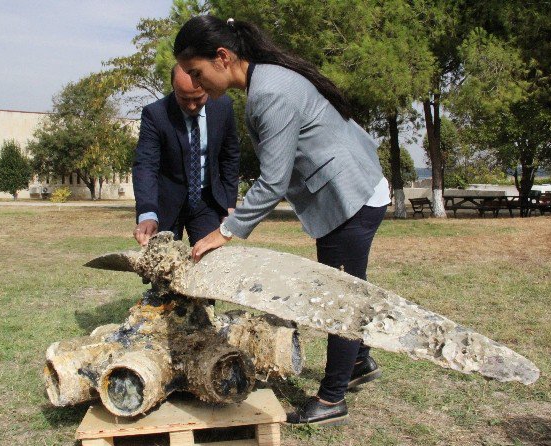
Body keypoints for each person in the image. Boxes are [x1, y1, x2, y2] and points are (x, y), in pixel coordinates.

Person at [174, 16, 391, 426]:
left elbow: (273, 181)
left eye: (196, 72)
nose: (195, 83)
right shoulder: (267, 79)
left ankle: (331, 400)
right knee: (341, 284)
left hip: (350, 197)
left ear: (222, 58)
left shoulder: (269, 92)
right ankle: (359, 360)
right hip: (351, 188)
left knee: (339, 298)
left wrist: (226, 232)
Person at [132, 64, 240, 247]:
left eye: (198, 98)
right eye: (183, 98)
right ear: (173, 88)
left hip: (207, 200)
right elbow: (146, 165)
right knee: (161, 268)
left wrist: (229, 204)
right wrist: (148, 214)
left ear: (207, 86)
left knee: (209, 264)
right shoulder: (155, 114)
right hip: (166, 202)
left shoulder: (223, 107)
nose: (191, 106)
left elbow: (230, 157)